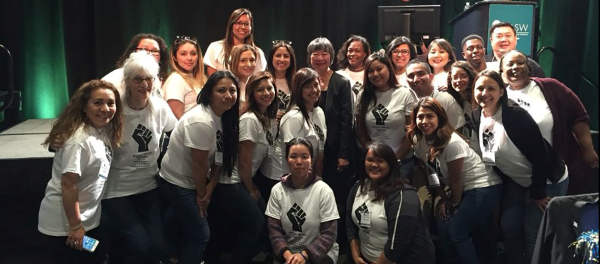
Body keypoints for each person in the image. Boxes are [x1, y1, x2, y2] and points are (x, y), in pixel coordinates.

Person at [472, 69, 569, 264]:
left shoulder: (515, 115)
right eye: (480, 88)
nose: (485, 93)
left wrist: (538, 193)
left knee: (533, 232)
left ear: (501, 91)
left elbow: (540, 156)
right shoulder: (477, 116)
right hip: (517, 179)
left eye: (491, 88)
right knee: (509, 227)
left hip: (547, 178)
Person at [100, 52, 177, 263]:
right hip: (117, 191)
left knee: (158, 247)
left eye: (149, 79)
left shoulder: (159, 107)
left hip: (148, 187)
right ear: (127, 82)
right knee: (140, 247)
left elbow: (177, 134)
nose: (144, 84)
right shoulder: (114, 110)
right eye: (138, 79)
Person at [408, 97, 502, 264]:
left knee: (457, 232)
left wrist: (453, 204)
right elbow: (431, 173)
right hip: (460, 190)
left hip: (483, 186)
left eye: (430, 116)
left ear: (440, 118)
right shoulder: (419, 142)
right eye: (420, 116)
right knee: (444, 227)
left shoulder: (452, 142)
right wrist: (443, 199)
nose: (424, 121)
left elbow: (456, 179)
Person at [158, 71, 239, 264]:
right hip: (179, 182)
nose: (228, 95)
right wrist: (203, 196)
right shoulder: (201, 120)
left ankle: (167, 254)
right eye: (221, 90)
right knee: (201, 234)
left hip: (196, 181)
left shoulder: (223, 115)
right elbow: (199, 164)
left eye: (232, 90)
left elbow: (219, 157)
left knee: (174, 222)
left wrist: (209, 190)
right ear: (209, 93)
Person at [38, 79, 123, 264]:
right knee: (86, 258)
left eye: (111, 103)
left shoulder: (101, 129)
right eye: (98, 102)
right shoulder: (79, 140)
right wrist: (75, 226)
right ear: (84, 106)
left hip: (88, 221)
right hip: (66, 226)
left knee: (98, 255)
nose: (106, 108)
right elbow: (68, 184)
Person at [499, 50, 598, 195]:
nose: (515, 67)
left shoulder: (550, 87)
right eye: (510, 64)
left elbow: (578, 116)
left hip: (553, 173)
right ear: (502, 70)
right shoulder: (499, 96)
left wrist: (588, 148)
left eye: (520, 62)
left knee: (549, 215)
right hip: (517, 176)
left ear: (529, 66)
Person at [209, 71, 277, 263]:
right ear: (251, 94)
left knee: (264, 220)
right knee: (256, 222)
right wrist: (251, 189)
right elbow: (244, 161)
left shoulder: (263, 118)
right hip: (231, 183)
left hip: (240, 181)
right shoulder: (249, 120)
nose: (266, 93)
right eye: (260, 90)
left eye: (269, 88)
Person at [346, 141, 435, 264]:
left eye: (380, 161)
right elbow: (350, 224)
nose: (374, 164)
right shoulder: (358, 187)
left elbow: (397, 244)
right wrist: (356, 256)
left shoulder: (404, 196)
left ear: (390, 164)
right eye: (370, 160)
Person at [265, 138, 340, 264]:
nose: (299, 162)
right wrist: (287, 254)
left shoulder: (323, 190)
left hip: (320, 253)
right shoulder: (277, 190)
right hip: (289, 253)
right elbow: (274, 230)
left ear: (311, 160)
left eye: (304, 157)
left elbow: (329, 234)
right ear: (286, 160)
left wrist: (305, 255)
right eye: (293, 156)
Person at [355, 52, 417, 179]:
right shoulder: (363, 96)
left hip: (402, 161)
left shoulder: (405, 94)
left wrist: (395, 160)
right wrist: (374, 157)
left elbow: (411, 131)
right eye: (370, 71)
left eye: (379, 69)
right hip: (374, 162)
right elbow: (360, 130)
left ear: (389, 68)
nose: (376, 74)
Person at [204, 8, 267, 76]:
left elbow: (259, 81)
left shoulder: (258, 53)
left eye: (246, 24)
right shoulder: (215, 48)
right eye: (239, 23)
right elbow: (212, 81)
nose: (243, 27)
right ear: (231, 25)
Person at [102, 33, 169, 97]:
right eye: (144, 49)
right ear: (132, 52)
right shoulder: (116, 77)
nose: (150, 54)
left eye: (155, 51)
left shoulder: (158, 80)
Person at [405, 60, 465, 130]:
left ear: (431, 76)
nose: (416, 79)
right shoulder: (408, 101)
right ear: (407, 81)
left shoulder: (445, 99)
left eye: (421, 74)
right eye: (411, 76)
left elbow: (458, 128)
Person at [162, 35, 207, 119]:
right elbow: (177, 120)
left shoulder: (200, 79)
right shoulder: (176, 80)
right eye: (183, 54)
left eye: (193, 53)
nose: (189, 58)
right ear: (175, 57)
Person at [446, 61, 480, 153]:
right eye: (455, 77)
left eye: (463, 76)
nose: (459, 80)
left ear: (471, 76)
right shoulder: (454, 101)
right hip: (470, 151)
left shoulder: (479, 99)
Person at [268, 40, 297, 113]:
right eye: (278, 56)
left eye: (286, 56)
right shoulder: (263, 80)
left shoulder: (296, 81)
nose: (282, 59)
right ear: (271, 58)